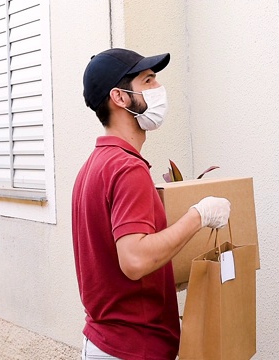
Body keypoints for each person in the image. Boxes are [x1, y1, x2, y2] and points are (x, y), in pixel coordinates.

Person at [72, 48, 231, 360]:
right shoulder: (127, 168)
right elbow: (134, 261)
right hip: (134, 348)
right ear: (119, 97)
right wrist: (198, 215)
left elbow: (115, 264)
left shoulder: (94, 165)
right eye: (148, 80)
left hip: (106, 341)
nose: (159, 90)